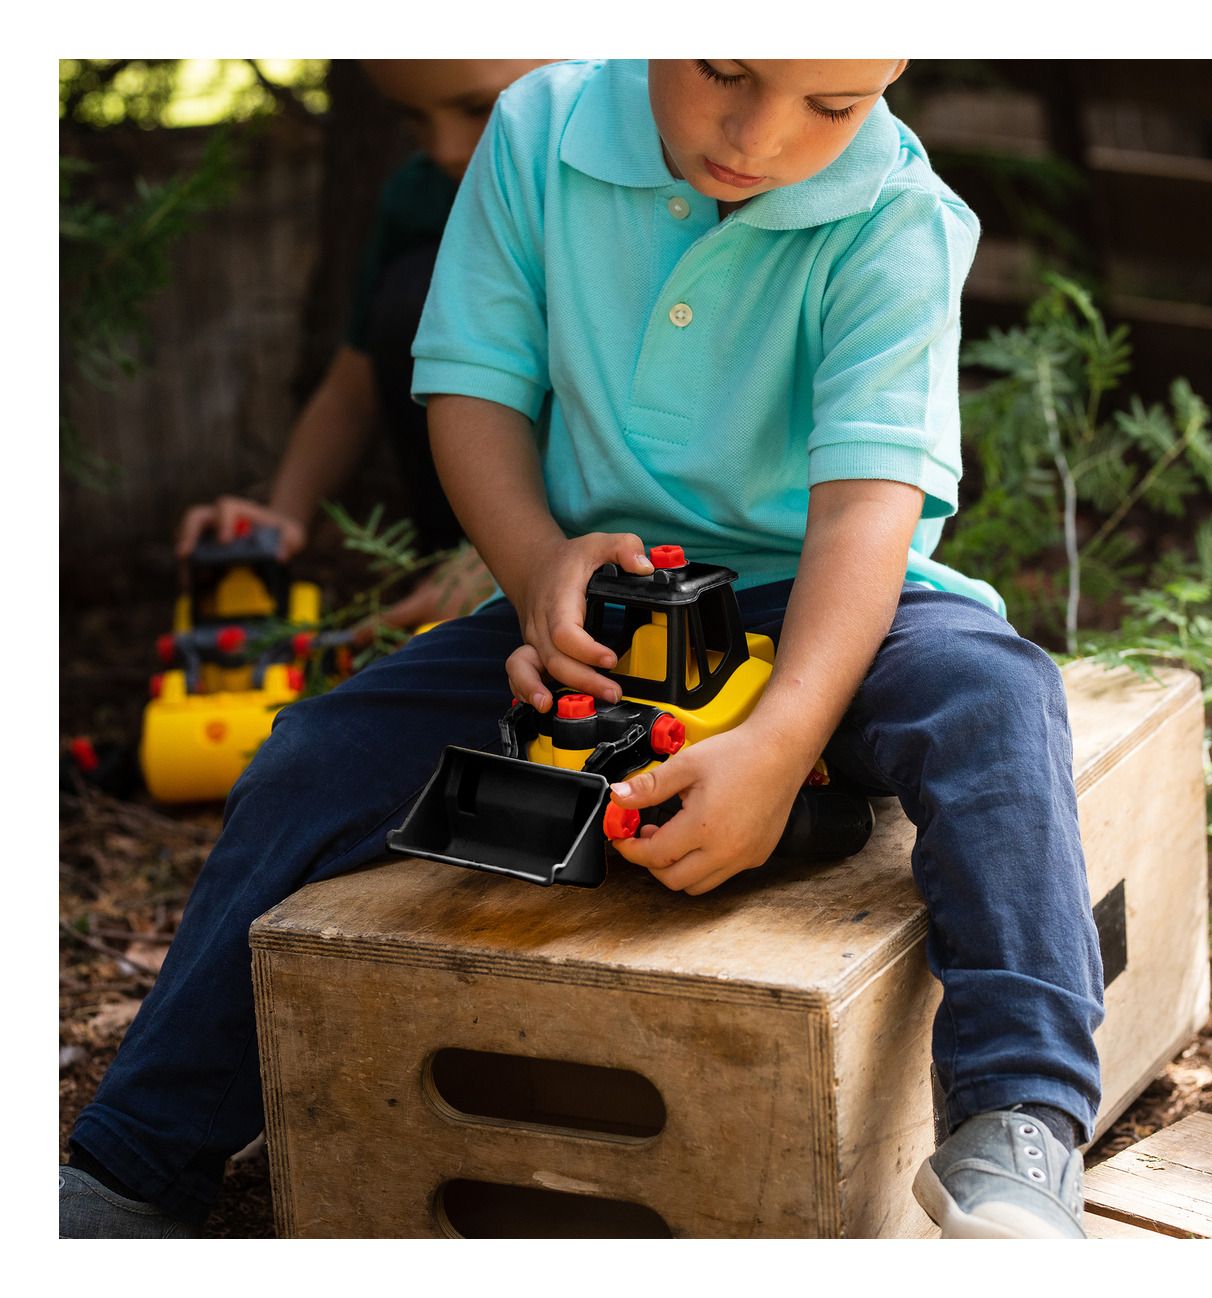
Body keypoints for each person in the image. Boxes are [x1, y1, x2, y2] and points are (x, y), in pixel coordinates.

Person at [61, 59, 1104, 1240]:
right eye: (724, 70)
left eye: (831, 105)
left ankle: (1019, 1124)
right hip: (598, 601)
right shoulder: (537, 131)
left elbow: (866, 511)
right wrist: (533, 568)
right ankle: (139, 1160)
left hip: (829, 603)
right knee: (316, 751)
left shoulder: (897, 217)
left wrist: (779, 741)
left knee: (993, 695)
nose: (757, 135)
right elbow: (471, 389)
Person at [174, 61, 550, 629]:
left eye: (478, 109)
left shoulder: (620, 198)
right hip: (475, 539)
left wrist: (523, 556)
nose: (446, 150)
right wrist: (281, 518)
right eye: (414, 122)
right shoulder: (419, 197)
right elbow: (353, 389)